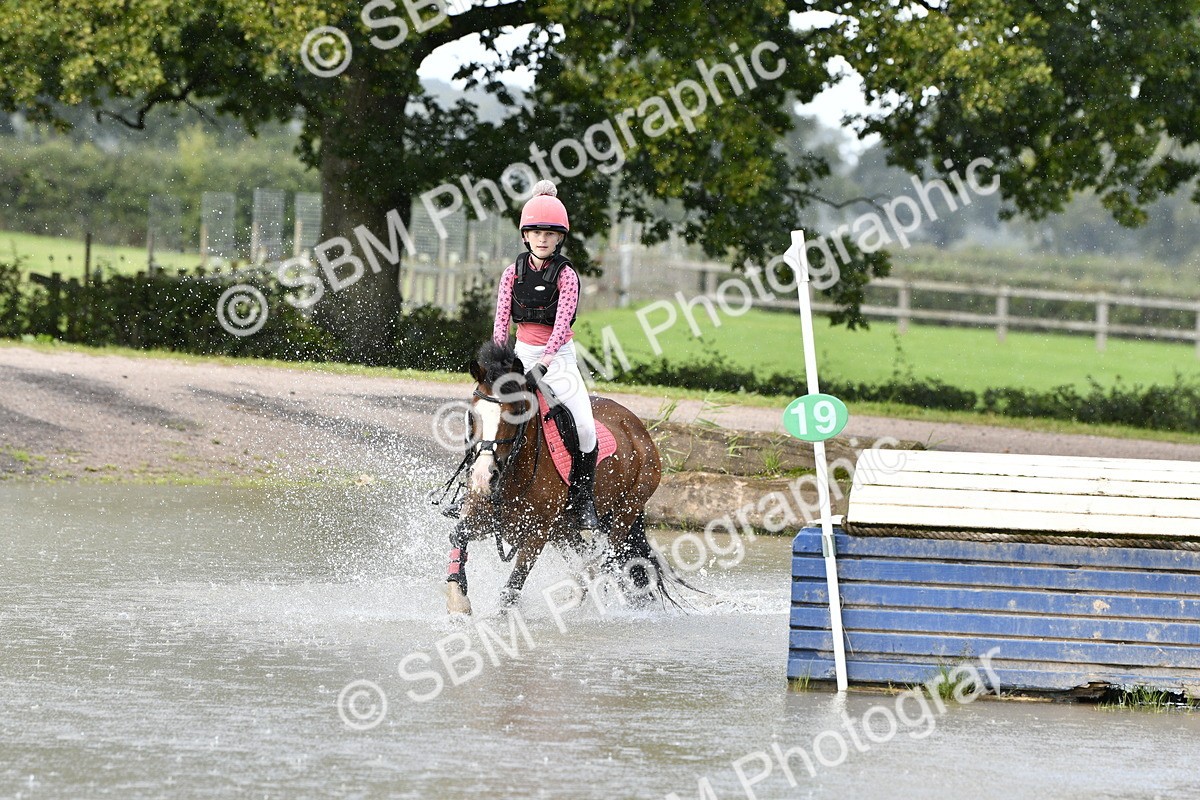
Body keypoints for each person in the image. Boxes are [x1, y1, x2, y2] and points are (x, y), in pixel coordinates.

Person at [491, 179, 602, 532]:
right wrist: (500, 361)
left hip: (559, 360)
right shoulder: (512, 273)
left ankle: (582, 500)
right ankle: (478, 487)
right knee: (489, 417)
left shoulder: (567, 276)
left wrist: (544, 364)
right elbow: (501, 321)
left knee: (584, 426)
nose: (542, 239)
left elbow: (559, 329)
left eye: (549, 233)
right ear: (526, 236)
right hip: (520, 354)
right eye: (536, 232)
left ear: (559, 238)